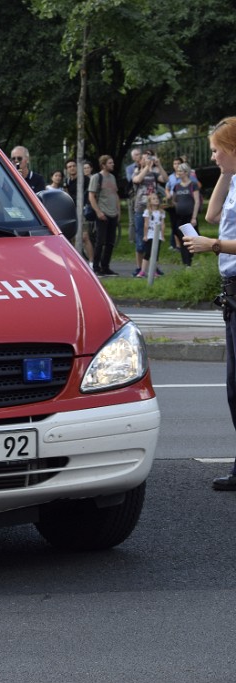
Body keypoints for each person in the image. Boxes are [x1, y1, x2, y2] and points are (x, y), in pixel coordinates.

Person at [183, 117, 236, 490]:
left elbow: (214, 231)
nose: (213, 156)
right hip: (231, 289)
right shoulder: (233, 181)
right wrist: (226, 171)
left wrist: (212, 245)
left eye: (218, 149)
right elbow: (212, 216)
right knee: (234, 386)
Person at [130, 149, 168, 275]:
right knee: (141, 240)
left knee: (153, 240)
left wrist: (159, 165)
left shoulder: (154, 174)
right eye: (145, 158)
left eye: (149, 158)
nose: (148, 160)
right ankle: (139, 267)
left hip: (153, 210)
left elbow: (165, 178)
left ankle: (153, 267)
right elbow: (136, 180)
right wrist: (146, 167)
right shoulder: (137, 171)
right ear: (140, 161)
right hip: (140, 209)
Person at [88, 154, 120, 276]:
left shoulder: (112, 177)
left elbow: (115, 194)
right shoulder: (97, 177)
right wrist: (98, 211)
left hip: (113, 213)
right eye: (110, 163)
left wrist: (118, 210)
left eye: (112, 162)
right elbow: (91, 195)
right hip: (103, 213)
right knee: (100, 242)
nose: (112, 165)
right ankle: (96, 267)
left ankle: (105, 266)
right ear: (103, 165)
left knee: (110, 242)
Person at [168, 162, 200, 267]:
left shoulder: (193, 185)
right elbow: (174, 200)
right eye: (177, 171)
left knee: (192, 239)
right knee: (182, 240)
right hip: (179, 217)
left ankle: (189, 259)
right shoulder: (177, 186)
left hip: (190, 216)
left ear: (186, 172)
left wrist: (194, 217)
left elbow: (197, 201)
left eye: (180, 171)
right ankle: (186, 263)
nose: (178, 173)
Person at [136, 192, 165, 278]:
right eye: (153, 199)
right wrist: (145, 235)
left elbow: (163, 224)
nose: (156, 200)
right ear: (150, 202)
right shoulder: (147, 212)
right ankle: (142, 271)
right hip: (150, 235)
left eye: (157, 198)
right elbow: (146, 224)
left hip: (158, 235)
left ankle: (153, 271)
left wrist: (162, 235)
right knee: (148, 253)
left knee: (155, 254)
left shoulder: (161, 212)